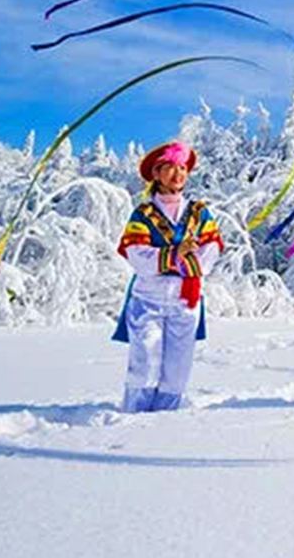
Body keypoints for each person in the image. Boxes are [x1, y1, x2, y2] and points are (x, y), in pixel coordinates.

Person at [112, 141, 223, 412]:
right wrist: (175, 255)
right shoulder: (143, 214)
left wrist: (187, 262)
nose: (178, 173)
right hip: (148, 298)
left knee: (178, 366)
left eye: (183, 168)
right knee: (145, 361)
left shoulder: (199, 212)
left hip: (186, 298)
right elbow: (137, 254)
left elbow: (212, 248)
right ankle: (133, 414)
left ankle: (166, 418)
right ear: (156, 173)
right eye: (171, 167)